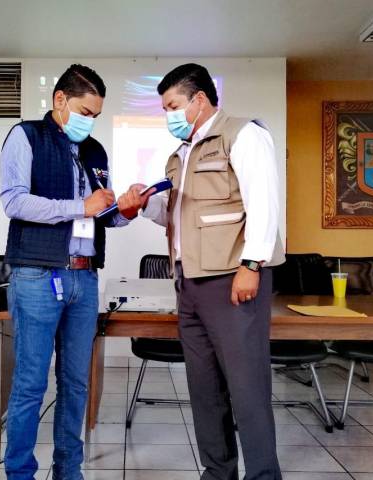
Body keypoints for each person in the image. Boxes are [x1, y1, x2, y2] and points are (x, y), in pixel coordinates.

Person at [0, 63, 150, 480]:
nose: (90, 121)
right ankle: (20, 474)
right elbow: (14, 201)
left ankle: (69, 470)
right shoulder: (26, 136)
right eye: (85, 112)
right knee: (30, 383)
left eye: (96, 115)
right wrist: (78, 207)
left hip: (85, 278)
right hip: (38, 275)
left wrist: (126, 210)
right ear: (60, 100)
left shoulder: (95, 150)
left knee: (76, 383)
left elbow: (102, 215)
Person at [142, 63, 284, 480]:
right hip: (189, 283)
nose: (169, 115)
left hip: (231, 281)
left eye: (173, 106)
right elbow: (176, 215)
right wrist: (144, 204)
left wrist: (251, 265)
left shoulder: (243, 134)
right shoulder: (180, 155)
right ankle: (218, 473)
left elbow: (264, 202)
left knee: (246, 387)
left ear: (199, 99)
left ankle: (263, 475)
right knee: (204, 389)